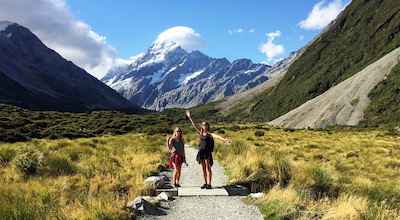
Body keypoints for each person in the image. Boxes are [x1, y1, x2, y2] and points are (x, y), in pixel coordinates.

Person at [185, 110, 231, 189]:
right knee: (203, 168)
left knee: (208, 168)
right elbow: (194, 125)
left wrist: (224, 139)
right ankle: (205, 183)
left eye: (206, 125)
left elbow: (217, 136)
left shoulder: (210, 134)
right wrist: (190, 117)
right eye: (203, 125)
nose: (204, 126)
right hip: (201, 152)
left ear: (207, 126)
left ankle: (209, 183)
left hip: (207, 152)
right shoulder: (200, 132)